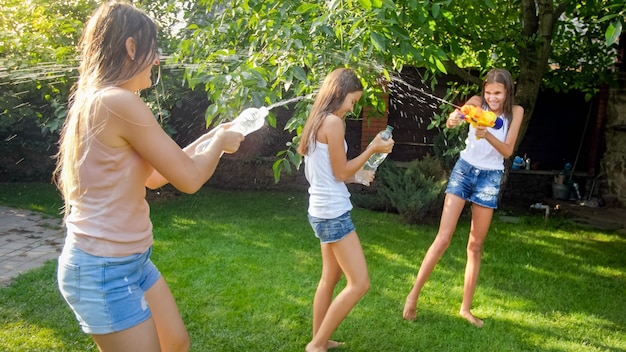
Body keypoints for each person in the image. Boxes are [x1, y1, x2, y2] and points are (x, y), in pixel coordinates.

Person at [53, 1, 244, 351]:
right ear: (130, 47)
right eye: (152, 49)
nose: (156, 59)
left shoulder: (102, 101)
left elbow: (155, 175)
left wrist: (210, 136)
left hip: (131, 262)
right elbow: (188, 179)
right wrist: (218, 142)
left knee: (176, 343)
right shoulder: (118, 102)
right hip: (103, 270)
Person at [402, 68, 524, 327]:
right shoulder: (477, 102)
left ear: (507, 92)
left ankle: (466, 310)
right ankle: (413, 296)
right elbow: (455, 116)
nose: (492, 98)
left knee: (475, 246)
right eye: (488, 92)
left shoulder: (516, 113)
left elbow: (507, 150)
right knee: (443, 238)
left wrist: (486, 134)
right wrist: (454, 118)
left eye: (498, 93)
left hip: (490, 177)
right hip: (464, 171)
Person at [297, 68, 395, 352]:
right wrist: (372, 149)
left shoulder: (317, 120)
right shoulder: (333, 123)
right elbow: (340, 172)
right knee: (360, 282)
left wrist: (358, 176)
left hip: (320, 207)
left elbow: (331, 172)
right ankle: (316, 345)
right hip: (333, 212)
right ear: (339, 93)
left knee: (331, 277)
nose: (352, 108)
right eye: (352, 101)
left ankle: (320, 338)